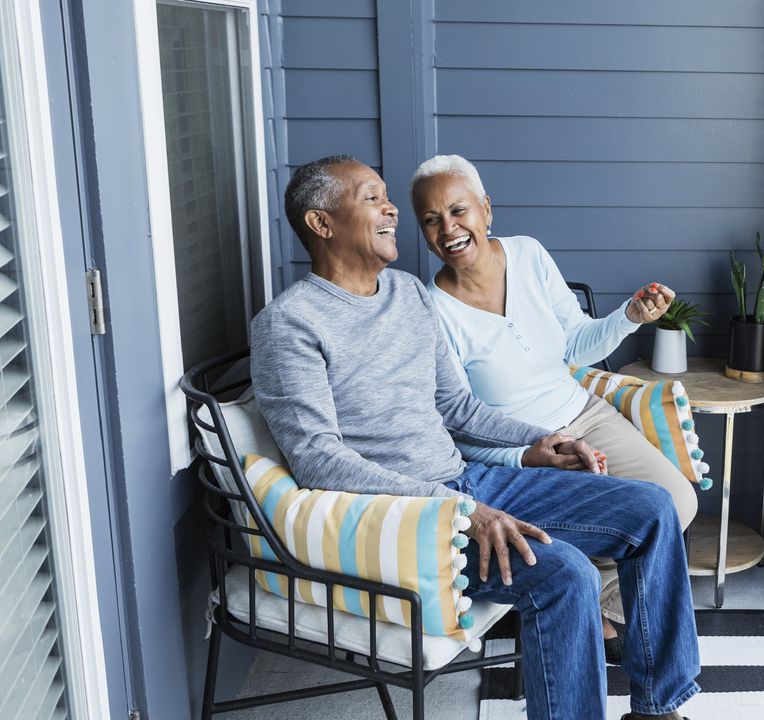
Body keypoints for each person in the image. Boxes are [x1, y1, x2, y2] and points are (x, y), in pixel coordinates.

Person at [250, 154, 699, 720]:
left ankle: (657, 710)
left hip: (467, 483)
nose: (391, 208)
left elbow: (456, 407)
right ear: (322, 223)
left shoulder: (408, 294)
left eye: (388, 196)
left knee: (654, 508)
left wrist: (545, 438)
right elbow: (318, 461)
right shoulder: (289, 324)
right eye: (371, 197)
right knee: (566, 576)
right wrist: (459, 508)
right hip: (409, 518)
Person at [409, 155, 698, 658]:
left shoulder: (529, 255)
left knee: (679, 502)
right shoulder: (431, 309)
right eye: (432, 220)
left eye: (459, 211)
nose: (449, 229)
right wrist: (528, 453)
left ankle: (602, 606)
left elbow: (575, 347)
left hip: (583, 413)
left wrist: (628, 317)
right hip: (517, 452)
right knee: (612, 527)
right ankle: (593, 612)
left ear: (486, 209)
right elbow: (457, 424)